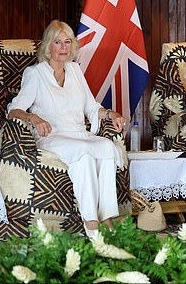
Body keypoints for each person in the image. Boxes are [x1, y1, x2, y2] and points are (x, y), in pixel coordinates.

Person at [7, 20, 127, 237]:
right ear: (47, 47)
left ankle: (106, 216)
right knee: (84, 154)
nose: (63, 47)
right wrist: (33, 117)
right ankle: (90, 222)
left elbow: (91, 106)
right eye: (57, 42)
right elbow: (14, 110)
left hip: (79, 133)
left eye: (67, 42)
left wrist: (111, 114)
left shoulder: (75, 70)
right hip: (52, 135)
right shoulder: (35, 74)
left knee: (107, 147)